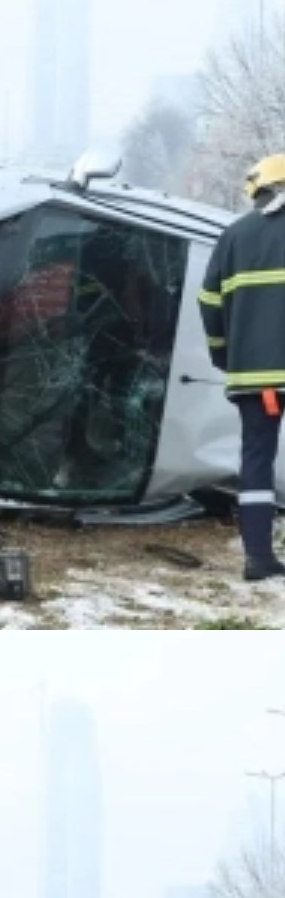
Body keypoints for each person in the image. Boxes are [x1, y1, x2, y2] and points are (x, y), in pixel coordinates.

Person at [198, 153, 285, 582]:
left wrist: (224, 354)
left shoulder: (234, 236)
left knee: (257, 461)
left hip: (255, 378)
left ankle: (258, 557)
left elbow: (209, 303)